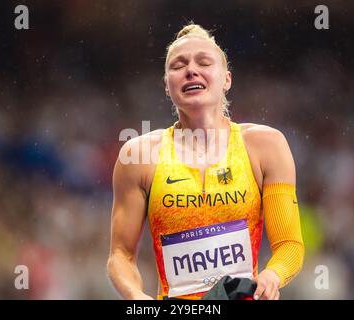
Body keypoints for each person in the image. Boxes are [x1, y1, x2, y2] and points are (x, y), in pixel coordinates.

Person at [107, 23, 304, 300]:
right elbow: (120, 255)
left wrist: (273, 275)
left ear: (227, 79)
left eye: (203, 62)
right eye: (178, 65)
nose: (190, 70)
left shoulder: (266, 146)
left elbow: (289, 245)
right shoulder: (138, 157)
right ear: (167, 86)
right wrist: (137, 297)